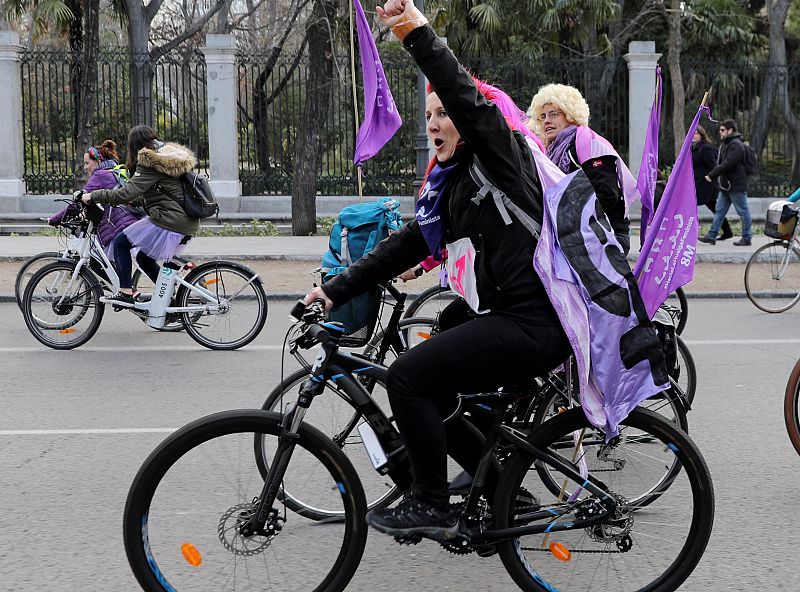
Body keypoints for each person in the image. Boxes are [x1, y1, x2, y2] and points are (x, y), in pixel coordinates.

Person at [304, 0, 572, 538]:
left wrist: (411, 29)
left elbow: (462, 92)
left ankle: (429, 500)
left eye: (443, 114)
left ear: (471, 120)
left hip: (537, 320)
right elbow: (409, 245)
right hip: (510, 314)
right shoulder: (453, 189)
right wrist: (336, 289)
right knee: (434, 376)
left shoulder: (501, 155)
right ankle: (501, 489)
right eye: (427, 116)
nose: (434, 123)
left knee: (408, 379)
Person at [81, 125, 200, 307]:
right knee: (144, 259)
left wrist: (94, 195)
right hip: (182, 219)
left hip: (170, 219)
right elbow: (159, 191)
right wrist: (135, 201)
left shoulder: (150, 162)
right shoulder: (166, 157)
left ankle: (126, 293)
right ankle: (170, 295)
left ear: (134, 145)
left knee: (121, 243)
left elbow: (126, 192)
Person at [527, 83, 634, 254]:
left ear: (570, 114)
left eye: (553, 114)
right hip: (577, 237)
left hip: (605, 237)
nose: (547, 120)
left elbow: (608, 194)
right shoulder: (553, 151)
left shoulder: (588, 143)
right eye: (542, 116)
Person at [49, 140, 142, 254]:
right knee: (102, 261)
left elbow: (78, 201)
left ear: (98, 161)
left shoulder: (100, 175)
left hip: (119, 225)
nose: (84, 167)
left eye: (87, 163)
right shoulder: (112, 172)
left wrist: (55, 220)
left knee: (100, 260)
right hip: (128, 221)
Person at [699, 118, 752, 246]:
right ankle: (712, 236)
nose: (720, 132)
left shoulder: (736, 145)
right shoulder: (727, 143)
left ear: (730, 130)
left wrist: (711, 175)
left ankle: (747, 237)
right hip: (726, 185)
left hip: (736, 186)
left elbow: (728, 163)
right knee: (720, 211)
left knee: (743, 212)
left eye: (722, 130)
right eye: (720, 130)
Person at [692, 125, 732, 241]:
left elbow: (714, 165)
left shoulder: (705, 148)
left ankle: (691, 232)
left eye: (696, 133)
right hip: (698, 184)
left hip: (705, 185)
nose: (693, 136)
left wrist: (709, 177)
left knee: (690, 207)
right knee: (715, 208)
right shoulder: (694, 148)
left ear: (701, 135)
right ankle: (727, 232)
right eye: (692, 134)